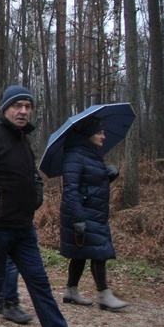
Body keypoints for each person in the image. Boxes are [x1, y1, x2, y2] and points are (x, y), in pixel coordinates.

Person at [0, 85, 98, 327]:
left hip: (23, 228)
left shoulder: (23, 140)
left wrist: (34, 197)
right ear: (5, 108)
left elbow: (29, 178)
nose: (23, 111)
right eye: (18, 106)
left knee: (40, 284)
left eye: (28, 106)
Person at [60, 116, 128, 311]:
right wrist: (78, 219)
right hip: (82, 214)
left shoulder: (90, 154)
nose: (104, 136)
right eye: (99, 132)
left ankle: (71, 291)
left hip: (93, 212)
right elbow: (71, 190)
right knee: (100, 250)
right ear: (88, 134)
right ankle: (104, 294)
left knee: (81, 252)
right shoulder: (75, 155)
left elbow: (92, 184)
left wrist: (108, 175)